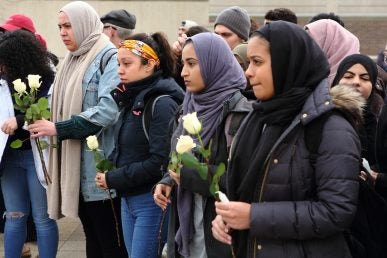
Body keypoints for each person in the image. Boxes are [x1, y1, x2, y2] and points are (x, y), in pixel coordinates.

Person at [211, 21, 362, 258]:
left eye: (257, 62)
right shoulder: (259, 118)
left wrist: (252, 216)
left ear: (287, 65)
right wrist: (229, 217)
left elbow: (336, 211)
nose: (248, 71)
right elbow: (250, 191)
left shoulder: (330, 127)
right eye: (248, 62)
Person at [28, 1, 127, 257]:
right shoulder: (71, 60)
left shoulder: (108, 56)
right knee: (93, 242)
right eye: (60, 26)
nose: (62, 32)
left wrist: (58, 128)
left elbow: (108, 110)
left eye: (68, 25)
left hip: (101, 173)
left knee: (111, 245)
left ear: (84, 24)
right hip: (76, 175)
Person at [154, 32, 251, 258]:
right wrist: (168, 180)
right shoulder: (188, 106)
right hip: (189, 230)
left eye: (192, 64)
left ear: (213, 64)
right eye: (182, 64)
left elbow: (239, 182)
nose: (183, 72)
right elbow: (177, 157)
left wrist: (188, 176)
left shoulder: (239, 116)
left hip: (219, 236)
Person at [94, 32, 184, 258]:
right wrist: (111, 167)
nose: (120, 70)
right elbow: (127, 147)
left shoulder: (161, 103)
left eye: (127, 63)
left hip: (152, 200)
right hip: (128, 199)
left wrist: (113, 178)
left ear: (150, 65)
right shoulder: (132, 96)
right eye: (118, 63)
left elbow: (159, 163)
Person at [0, 30, 58, 258]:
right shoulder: (3, 81)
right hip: (9, 158)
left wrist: (21, 121)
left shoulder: (46, 79)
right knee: (14, 215)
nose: (2, 67)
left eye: (5, 62)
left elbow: (49, 111)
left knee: (43, 217)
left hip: (38, 156)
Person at [305, 19, 360, 85]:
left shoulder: (363, 76)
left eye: (311, 41)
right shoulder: (306, 74)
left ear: (329, 42)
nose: (305, 48)